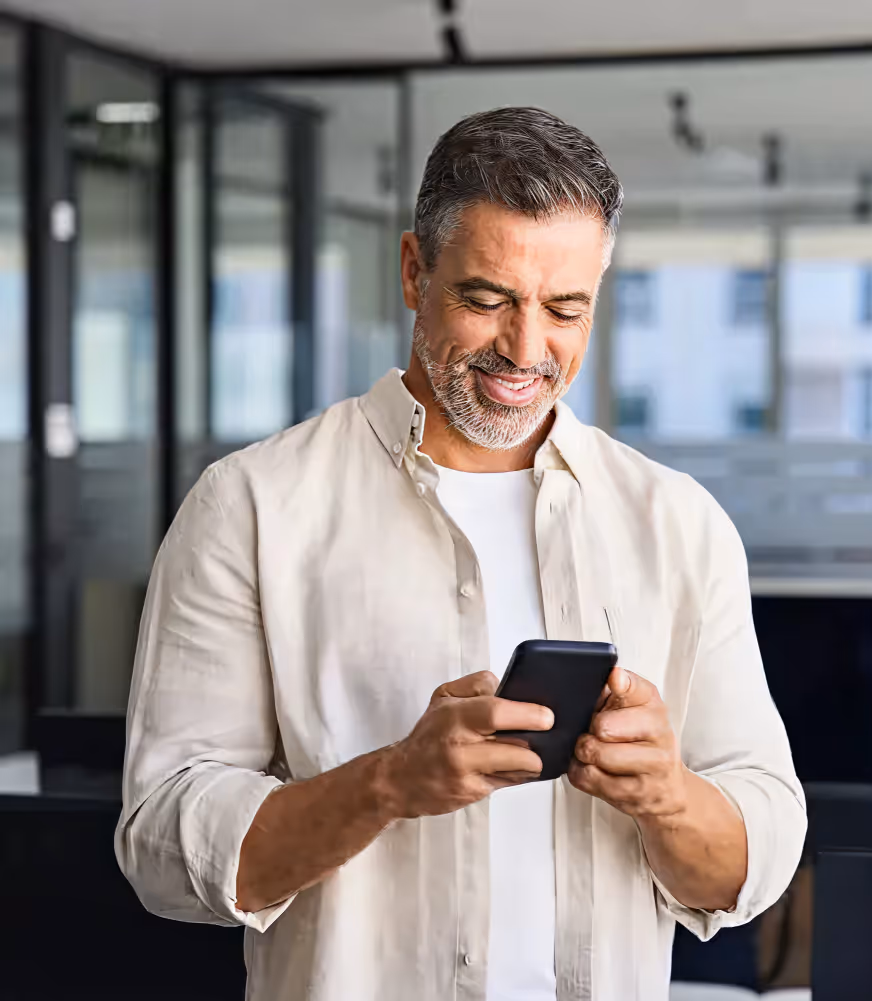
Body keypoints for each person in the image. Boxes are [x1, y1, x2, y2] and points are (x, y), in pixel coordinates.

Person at [117, 106, 806, 1001]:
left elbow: (752, 863)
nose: (525, 349)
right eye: (486, 299)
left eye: (565, 309)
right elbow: (163, 848)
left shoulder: (676, 521)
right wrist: (388, 782)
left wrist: (666, 793)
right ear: (413, 269)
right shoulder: (252, 505)